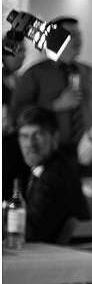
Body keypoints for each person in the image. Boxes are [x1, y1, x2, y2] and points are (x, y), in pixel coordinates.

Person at [9, 16, 92, 162]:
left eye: (79, 34)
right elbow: (17, 112)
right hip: (49, 156)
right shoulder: (35, 73)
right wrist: (55, 105)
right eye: (71, 35)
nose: (78, 39)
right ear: (55, 38)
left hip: (89, 154)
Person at [16, 106, 90, 242]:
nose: (30, 144)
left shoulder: (53, 177)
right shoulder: (60, 166)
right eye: (24, 136)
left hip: (60, 254)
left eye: (37, 135)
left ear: (55, 138)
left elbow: (31, 233)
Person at [3, 35, 29, 199]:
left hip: (18, 145)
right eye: (18, 51)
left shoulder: (20, 80)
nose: (23, 55)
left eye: (24, 51)